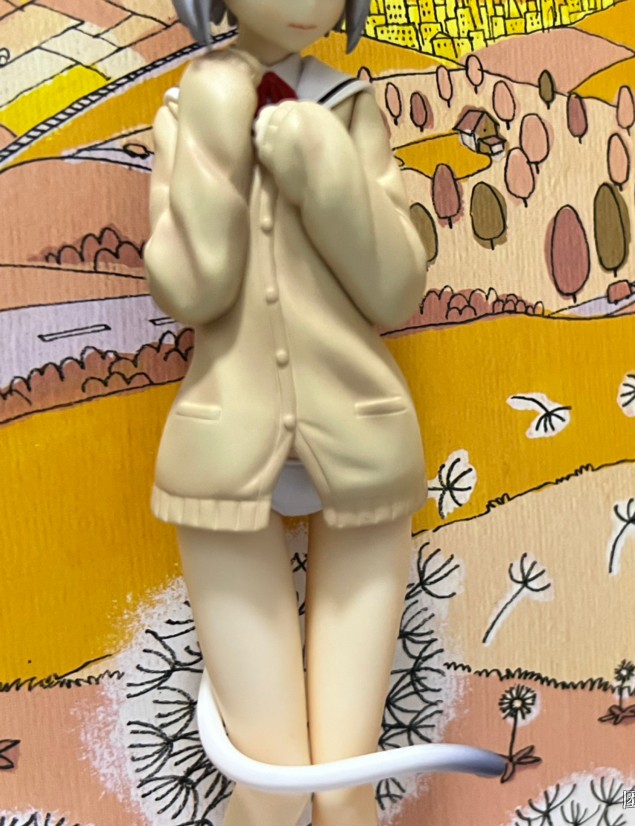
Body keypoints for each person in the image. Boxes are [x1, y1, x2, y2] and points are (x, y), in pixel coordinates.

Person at [143, 1, 429, 824]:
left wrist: (329, 175)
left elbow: (396, 290)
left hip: (366, 437)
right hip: (222, 446)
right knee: (269, 791)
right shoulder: (185, 109)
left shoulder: (349, 107)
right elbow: (191, 288)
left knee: (344, 791)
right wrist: (212, 139)